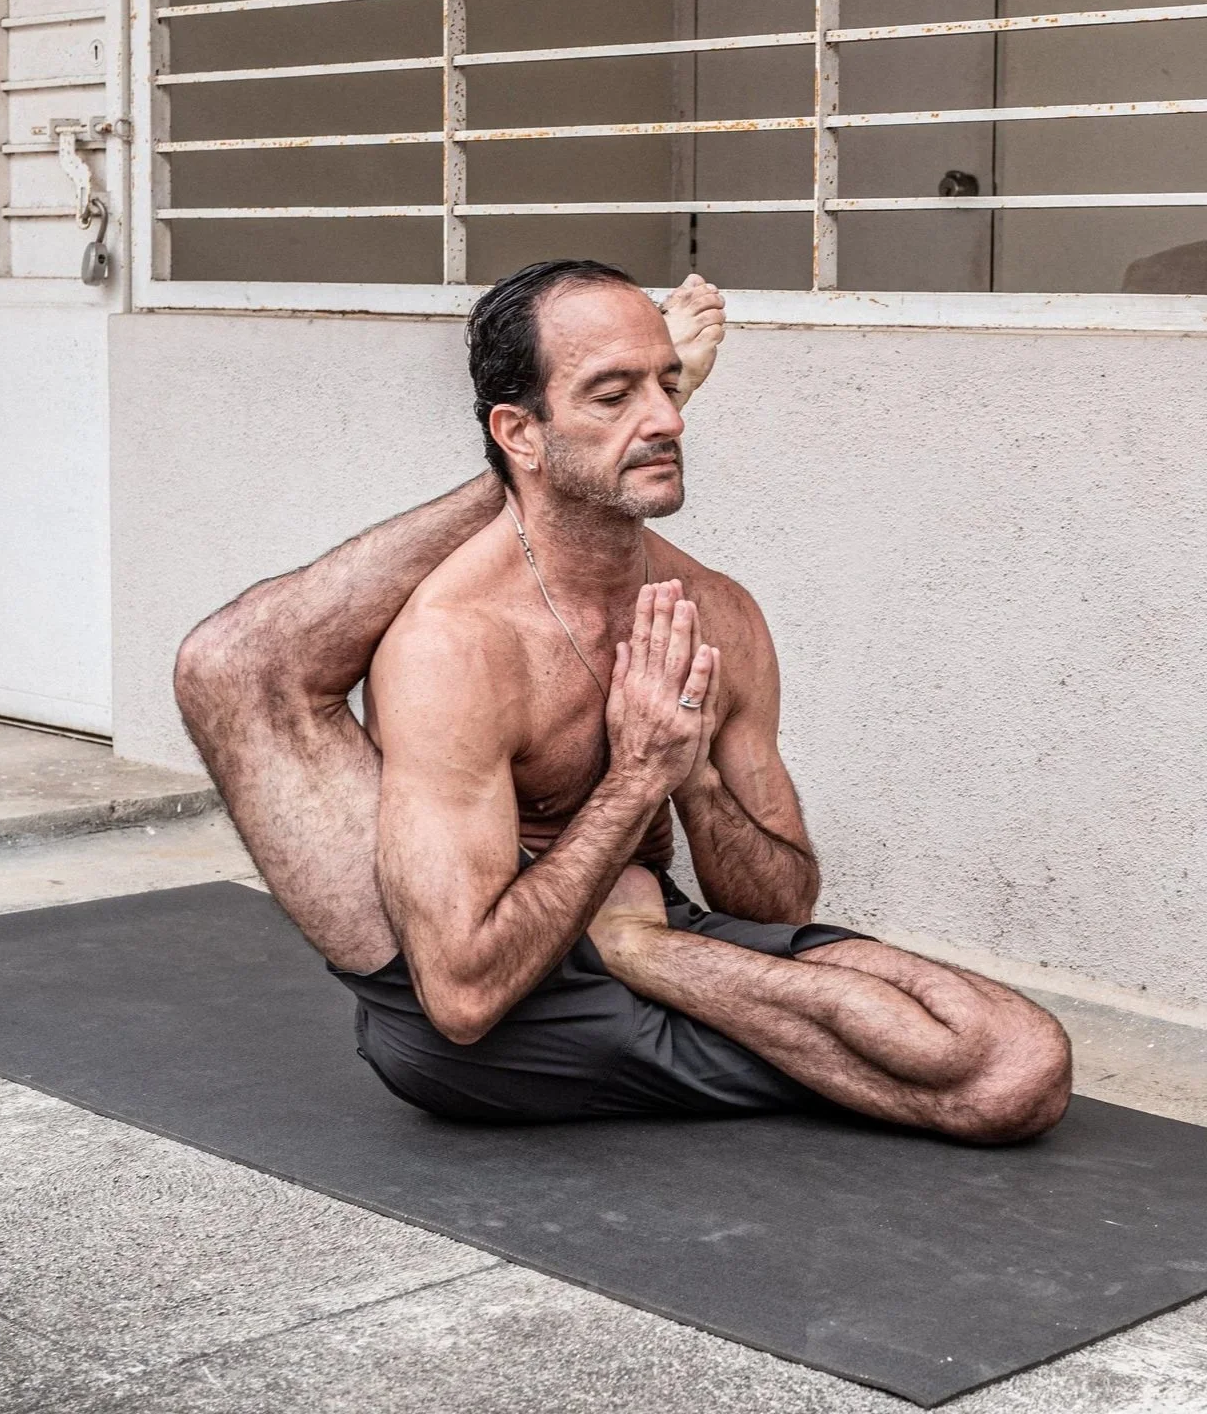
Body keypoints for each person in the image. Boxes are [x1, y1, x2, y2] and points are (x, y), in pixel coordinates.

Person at [175, 264, 1071, 1140]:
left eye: (671, 386)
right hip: (492, 1005)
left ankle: (637, 952)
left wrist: (688, 784)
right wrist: (637, 777)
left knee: (1019, 1064)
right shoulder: (462, 641)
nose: (671, 420)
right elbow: (463, 999)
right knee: (229, 665)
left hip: (646, 933)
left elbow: (777, 910)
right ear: (519, 434)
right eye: (614, 395)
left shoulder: (716, 611)